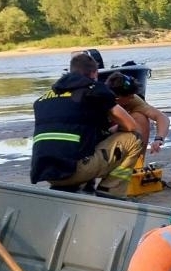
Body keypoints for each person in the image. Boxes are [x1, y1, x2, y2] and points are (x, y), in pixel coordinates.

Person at [30, 51, 142, 194]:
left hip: (47, 172)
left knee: (83, 139)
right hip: (74, 170)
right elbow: (131, 125)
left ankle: (82, 188)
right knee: (133, 139)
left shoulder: (44, 98)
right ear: (95, 73)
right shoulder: (94, 90)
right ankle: (110, 193)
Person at [106, 73, 169, 159]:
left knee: (141, 117)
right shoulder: (101, 100)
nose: (132, 98)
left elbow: (161, 117)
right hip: (100, 138)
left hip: (115, 132)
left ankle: (138, 161)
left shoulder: (133, 99)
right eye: (130, 97)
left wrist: (159, 139)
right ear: (118, 98)